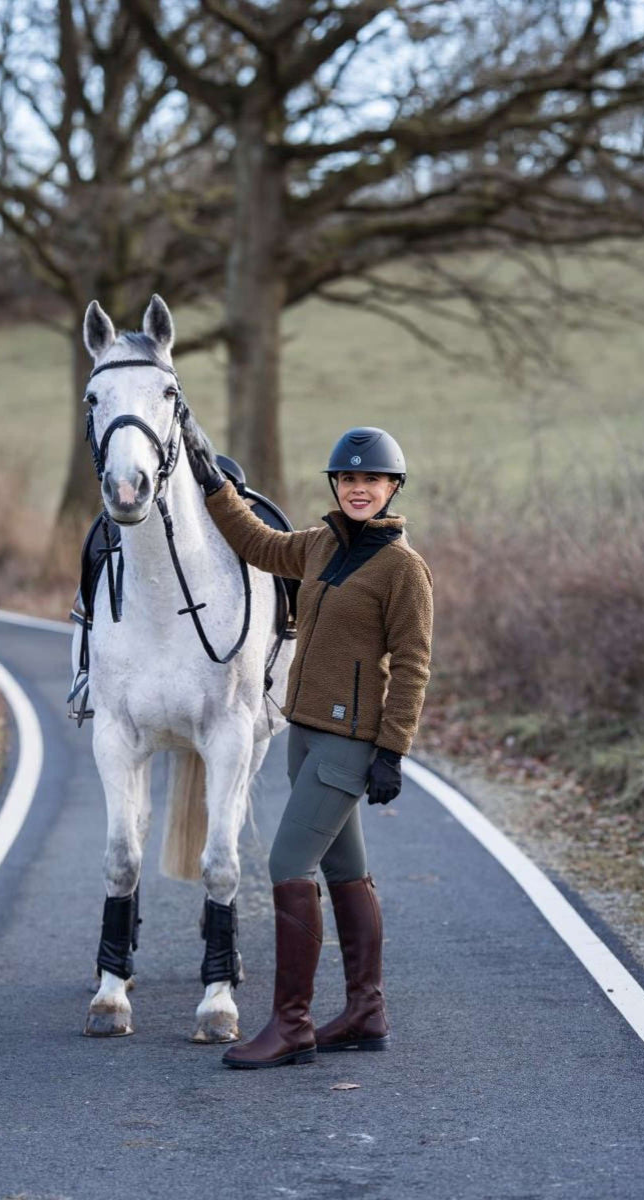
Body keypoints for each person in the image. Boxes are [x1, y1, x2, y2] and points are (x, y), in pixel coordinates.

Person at [181, 420, 434, 1069]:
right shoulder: (321, 546)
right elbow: (259, 545)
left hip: (349, 743)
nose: (358, 488)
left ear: (391, 487)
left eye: (371, 479)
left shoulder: (403, 569)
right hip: (306, 734)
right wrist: (214, 486)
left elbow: (412, 664)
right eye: (348, 478)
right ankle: (365, 1011)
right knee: (346, 872)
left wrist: (392, 751)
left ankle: (290, 1024)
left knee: (287, 866)